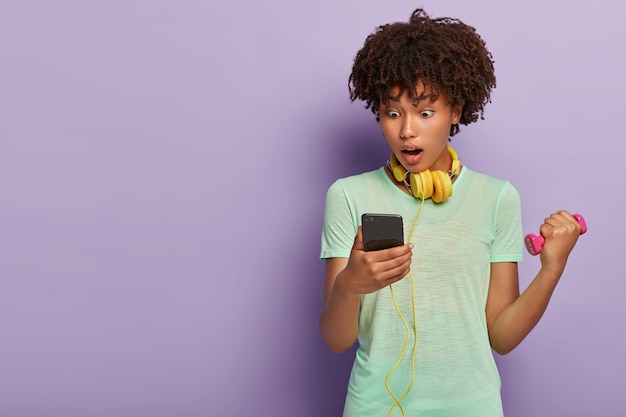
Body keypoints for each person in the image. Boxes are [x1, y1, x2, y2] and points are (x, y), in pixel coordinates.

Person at [319, 8, 582, 417]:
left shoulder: (497, 198)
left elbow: (502, 336)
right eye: (392, 112)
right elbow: (336, 339)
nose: (407, 130)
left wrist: (552, 268)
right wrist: (351, 284)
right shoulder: (348, 195)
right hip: (375, 407)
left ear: (455, 111)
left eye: (425, 112)